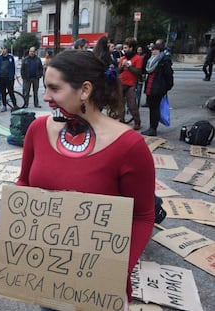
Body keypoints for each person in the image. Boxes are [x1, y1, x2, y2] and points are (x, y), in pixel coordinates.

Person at [16, 50, 155, 311]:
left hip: (98, 288)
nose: (45, 97)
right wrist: (13, 222)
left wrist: (113, 272)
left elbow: (143, 216)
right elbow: (24, 182)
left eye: (54, 88)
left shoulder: (130, 146)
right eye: (46, 88)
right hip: (48, 277)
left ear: (85, 90)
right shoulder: (37, 130)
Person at [141, 43, 174, 136]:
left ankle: (153, 128)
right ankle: (152, 127)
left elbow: (169, 77)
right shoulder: (152, 60)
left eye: (154, 50)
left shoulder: (164, 61)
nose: (152, 51)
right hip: (151, 88)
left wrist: (165, 88)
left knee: (155, 108)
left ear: (159, 51)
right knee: (152, 108)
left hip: (157, 89)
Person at [118, 37, 143, 130]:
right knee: (120, 104)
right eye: (124, 48)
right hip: (121, 83)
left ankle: (137, 122)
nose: (124, 50)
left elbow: (138, 72)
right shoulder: (123, 58)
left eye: (126, 48)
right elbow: (119, 71)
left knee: (132, 104)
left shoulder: (138, 58)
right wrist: (122, 66)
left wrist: (128, 66)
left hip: (131, 85)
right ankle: (121, 120)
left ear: (131, 48)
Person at [0, 44, 18, 112]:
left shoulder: (11, 57)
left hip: (9, 79)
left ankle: (15, 105)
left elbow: (14, 68)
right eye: (2, 49)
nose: (3, 50)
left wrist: (13, 76)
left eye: (4, 49)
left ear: (7, 49)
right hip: (1, 78)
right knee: (2, 93)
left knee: (11, 92)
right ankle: (4, 106)